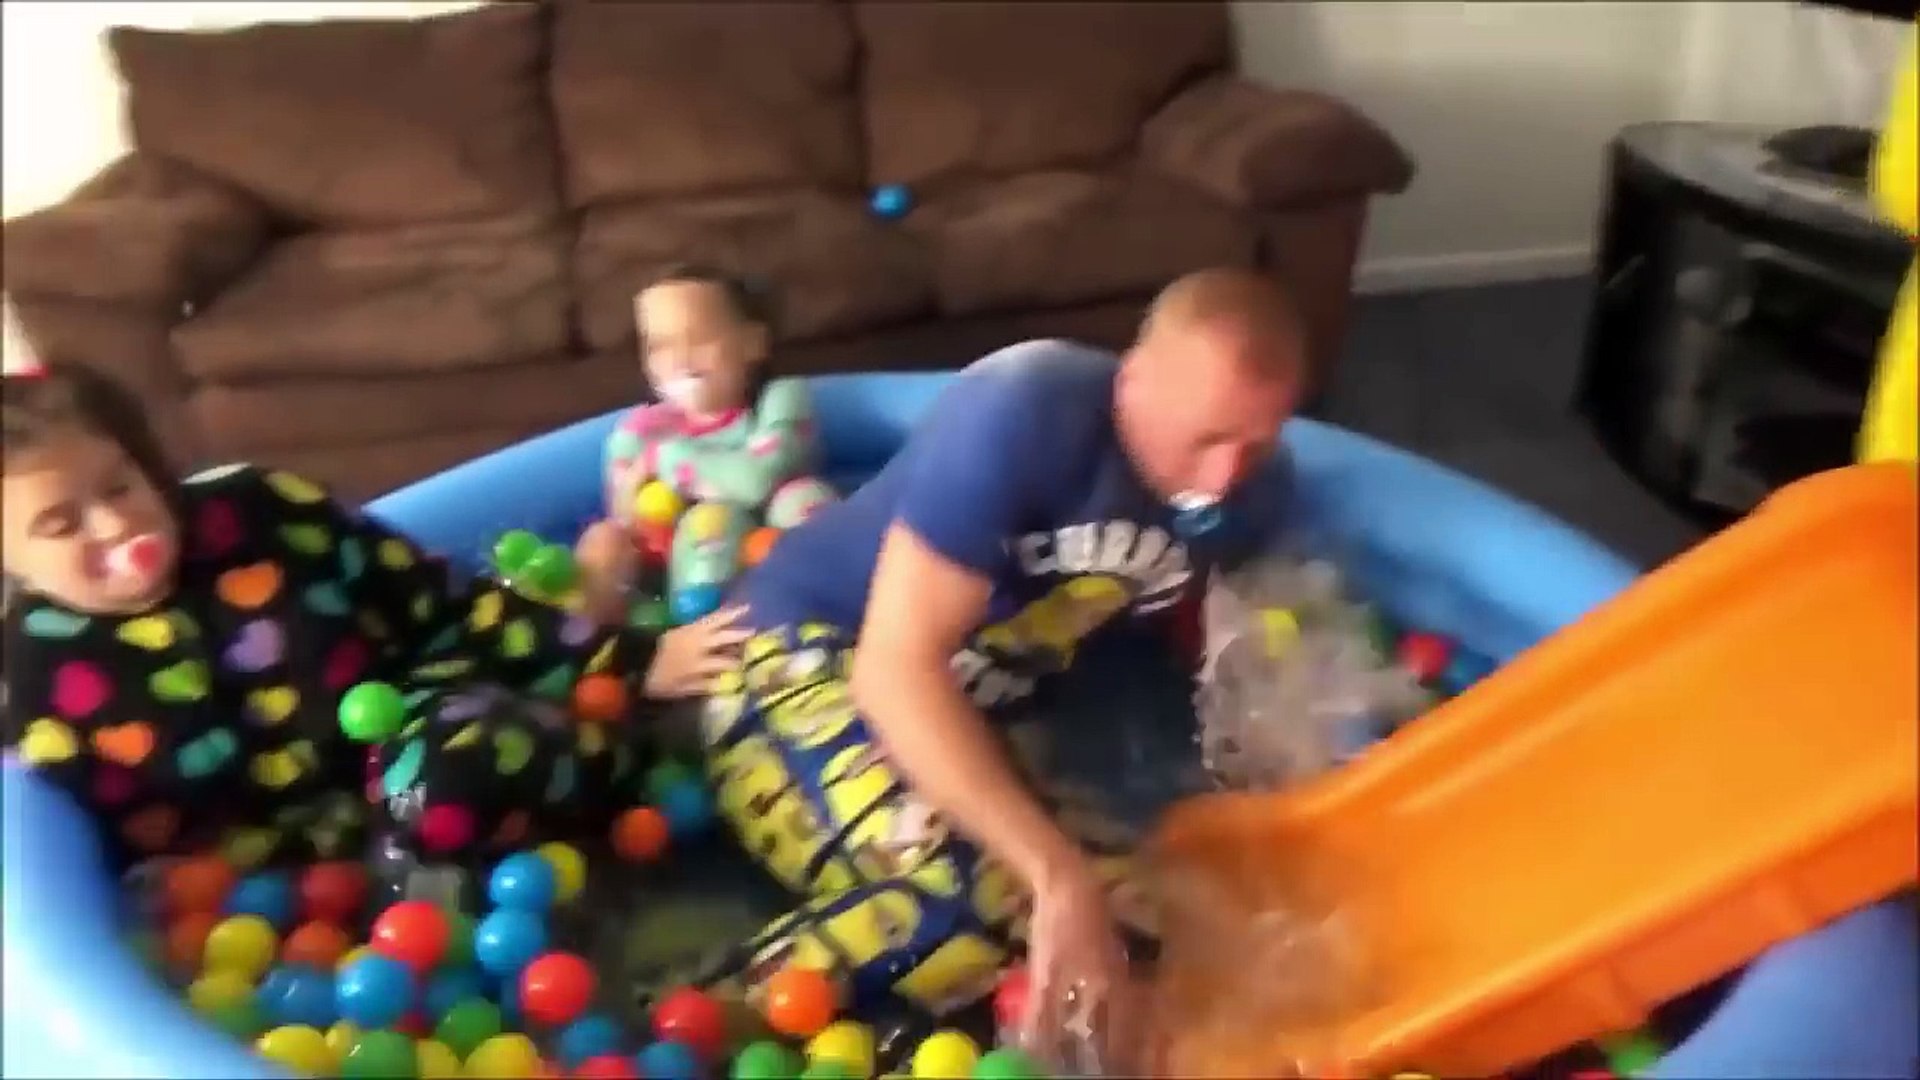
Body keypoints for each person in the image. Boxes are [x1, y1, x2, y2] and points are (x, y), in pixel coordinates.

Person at [694, 268, 1307, 1062]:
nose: (1222, 479)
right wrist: (1058, 875)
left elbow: (1203, 655)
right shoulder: (1027, 409)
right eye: (1205, 438)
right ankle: (692, 1032)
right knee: (983, 900)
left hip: (969, 712)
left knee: (1149, 934)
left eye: (1254, 443)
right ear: (1133, 381)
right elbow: (893, 670)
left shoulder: (1254, 497)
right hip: (793, 659)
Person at [0, 337, 748, 872]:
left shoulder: (257, 512)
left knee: (446, 775)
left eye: (120, 484)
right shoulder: (32, 669)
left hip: (426, 727)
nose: (115, 524)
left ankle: (632, 732)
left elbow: (445, 605)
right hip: (289, 884)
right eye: (61, 525)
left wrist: (633, 663)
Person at [575, 266, 837, 626]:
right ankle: (606, 639)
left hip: (774, 545)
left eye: (699, 339)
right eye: (658, 346)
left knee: (802, 498)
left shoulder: (780, 400)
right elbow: (627, 518)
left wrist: (666, 459)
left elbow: (757, 481)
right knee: (605, 540)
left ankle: (831, 615)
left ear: (753, 343)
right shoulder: (639, 432)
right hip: (678, 586)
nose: (679, 359)